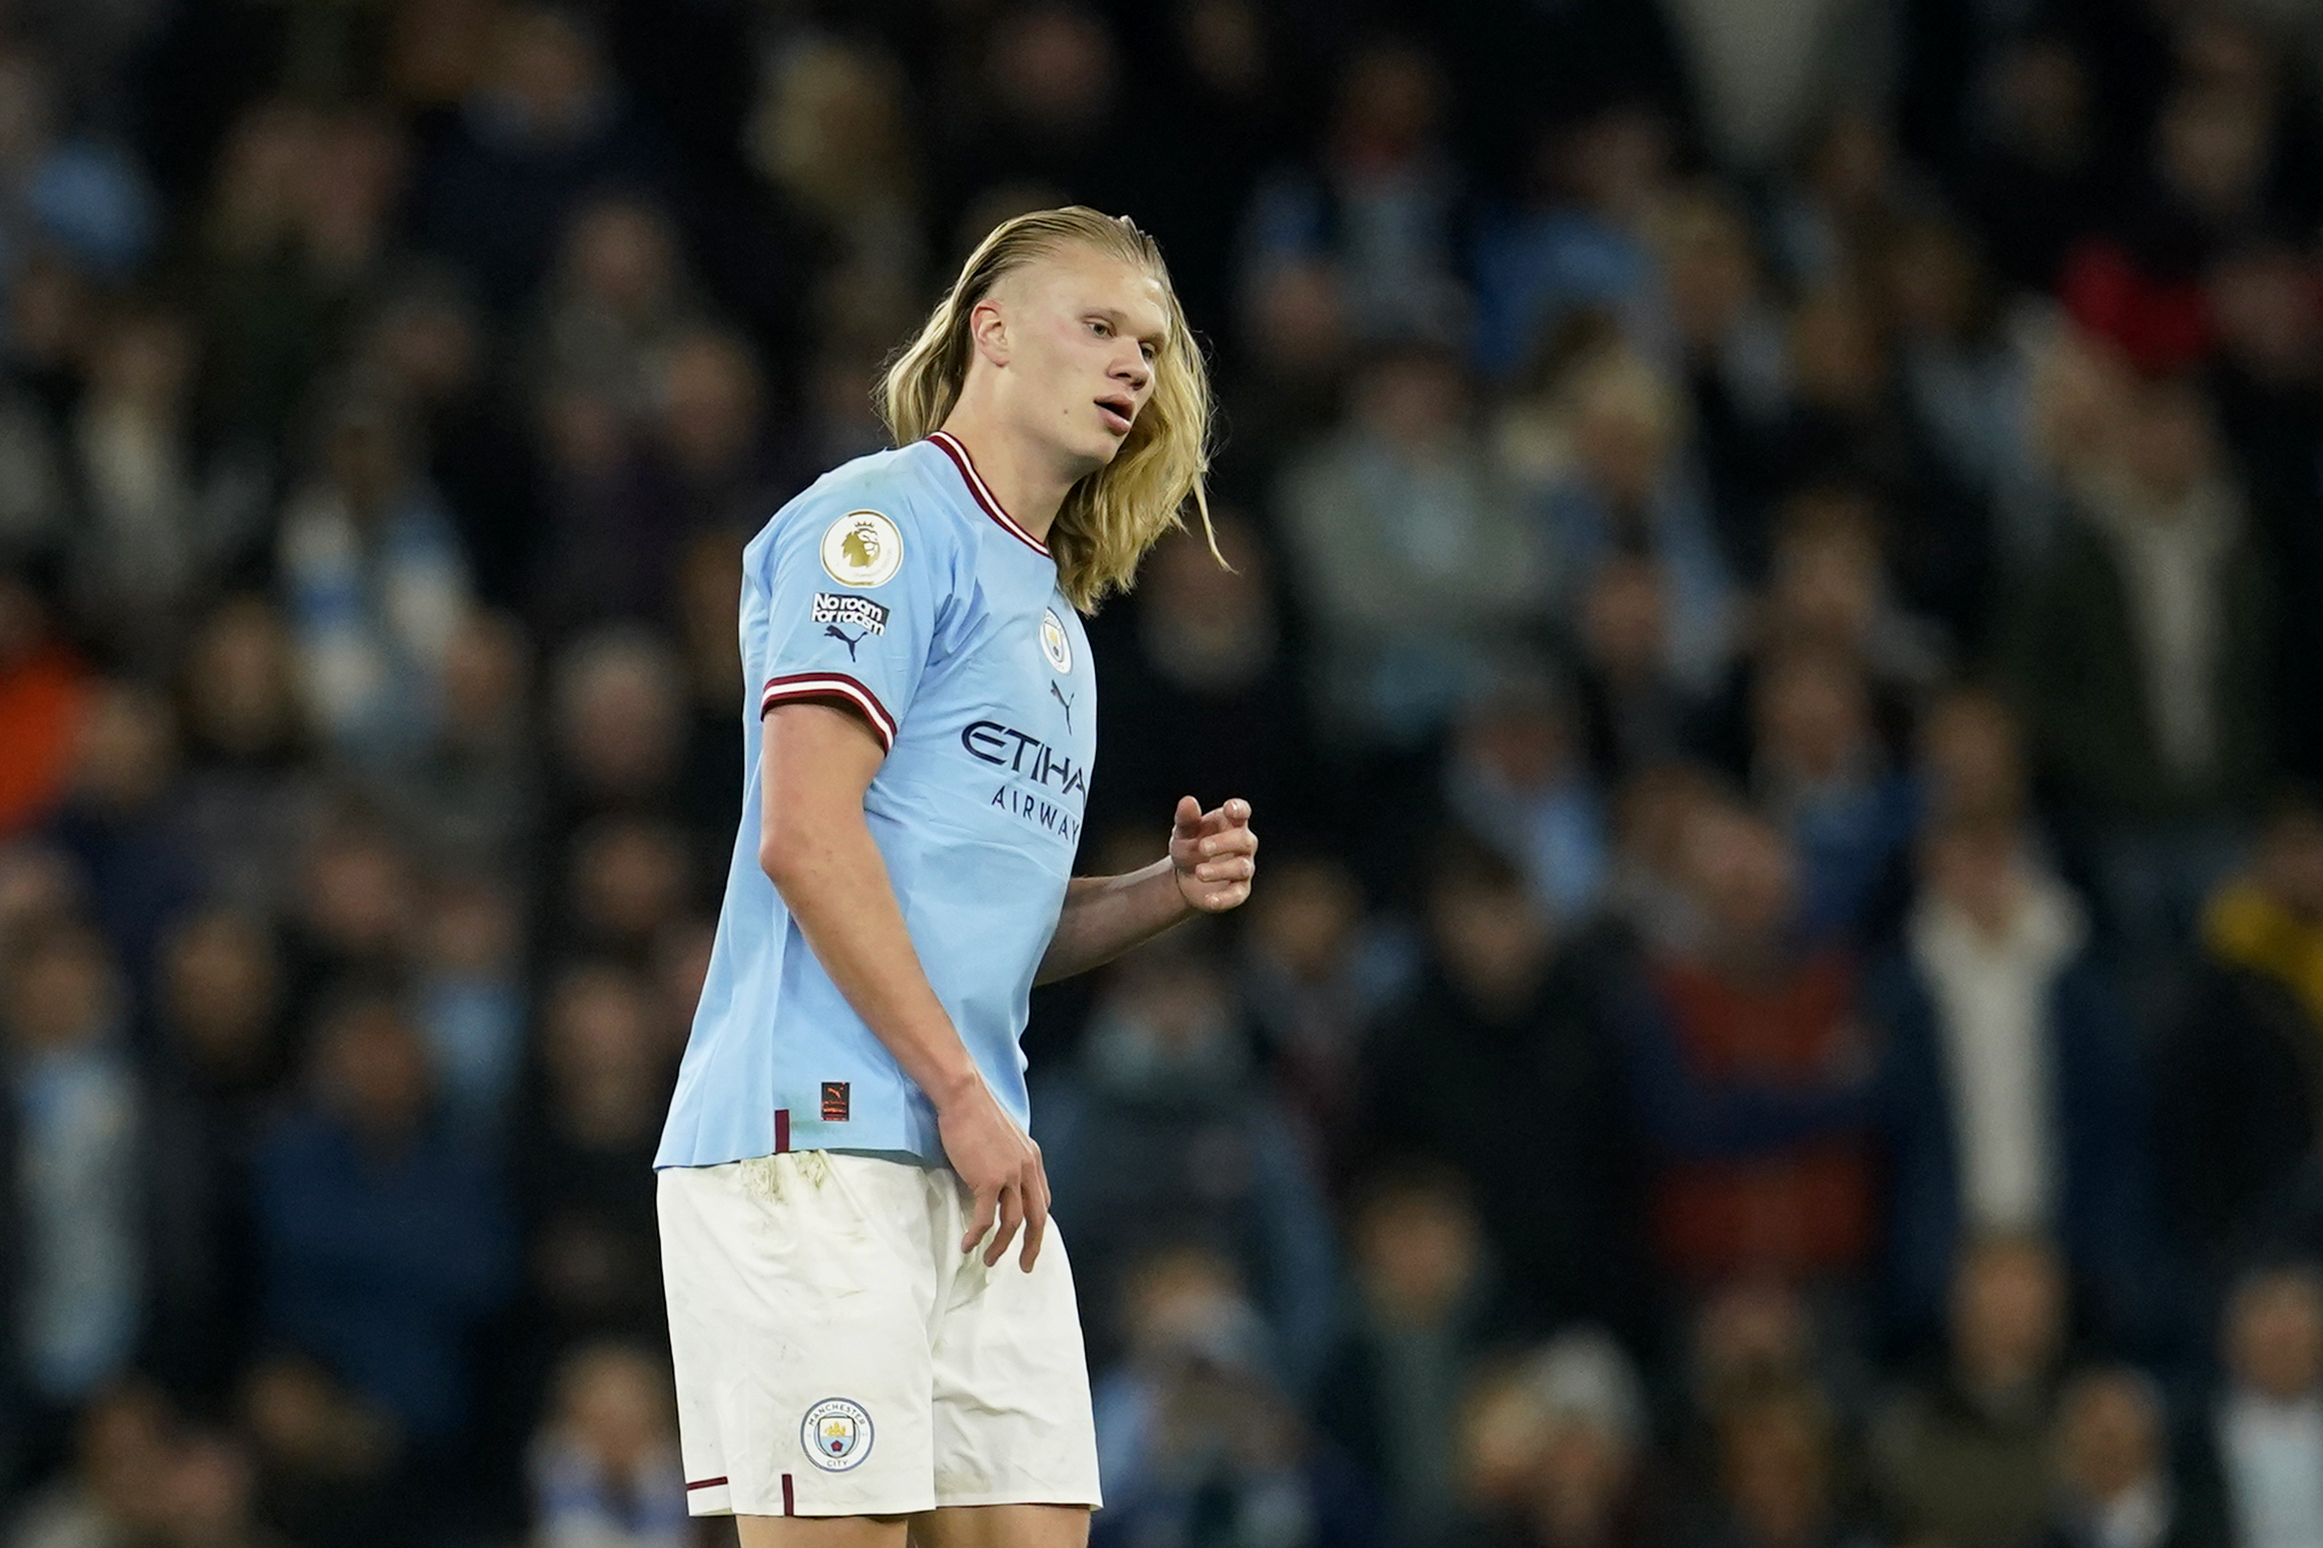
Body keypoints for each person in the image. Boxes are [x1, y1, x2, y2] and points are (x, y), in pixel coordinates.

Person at [654, 207, 1259, 1546]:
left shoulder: (1058, 620)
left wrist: (1156, 891)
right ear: (991, 330)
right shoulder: (874, 526)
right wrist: (962, 1092)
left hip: (973, 1155)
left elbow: (981, 931)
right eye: (1099, 326)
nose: (1134, 366)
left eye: (1152, 345)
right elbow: (807, 839)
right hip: (810, 1143)